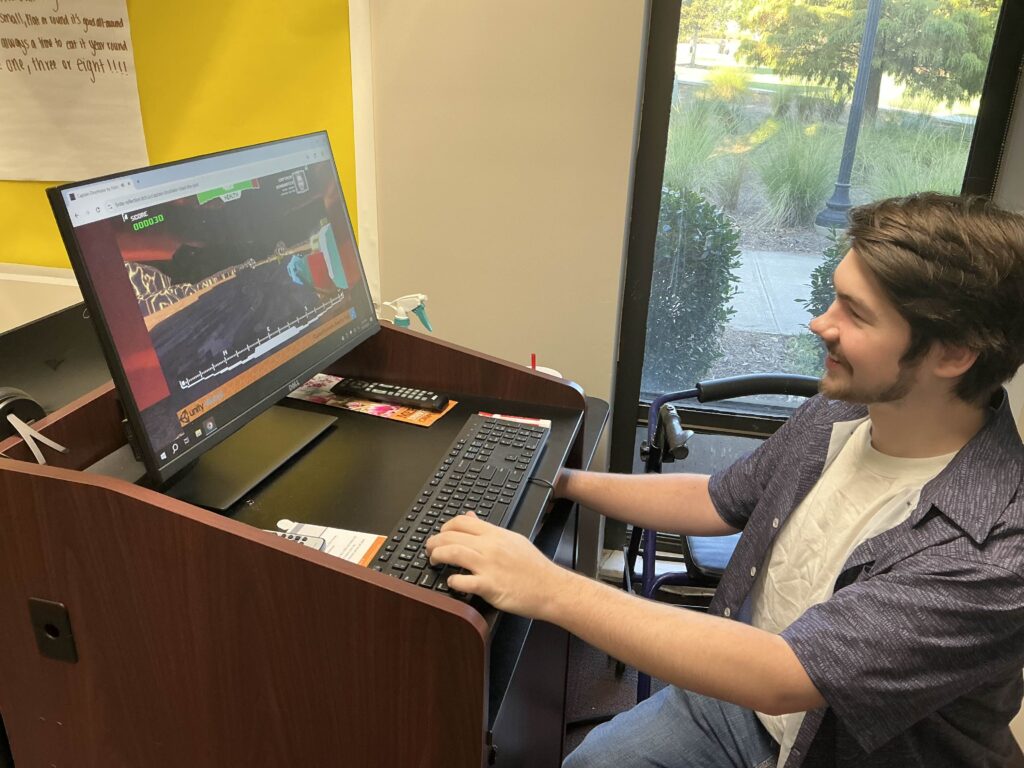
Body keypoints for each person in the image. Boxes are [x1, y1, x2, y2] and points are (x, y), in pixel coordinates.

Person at [426, 193, 1024, 767]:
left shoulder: (994, 554)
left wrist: (547, 587)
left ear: (952, 355)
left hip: (829, 736)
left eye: (856, 314)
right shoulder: (846, 410)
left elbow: (786, 675)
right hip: (744, 701)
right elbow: (719, 499)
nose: (821, 323)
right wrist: (563, 483)